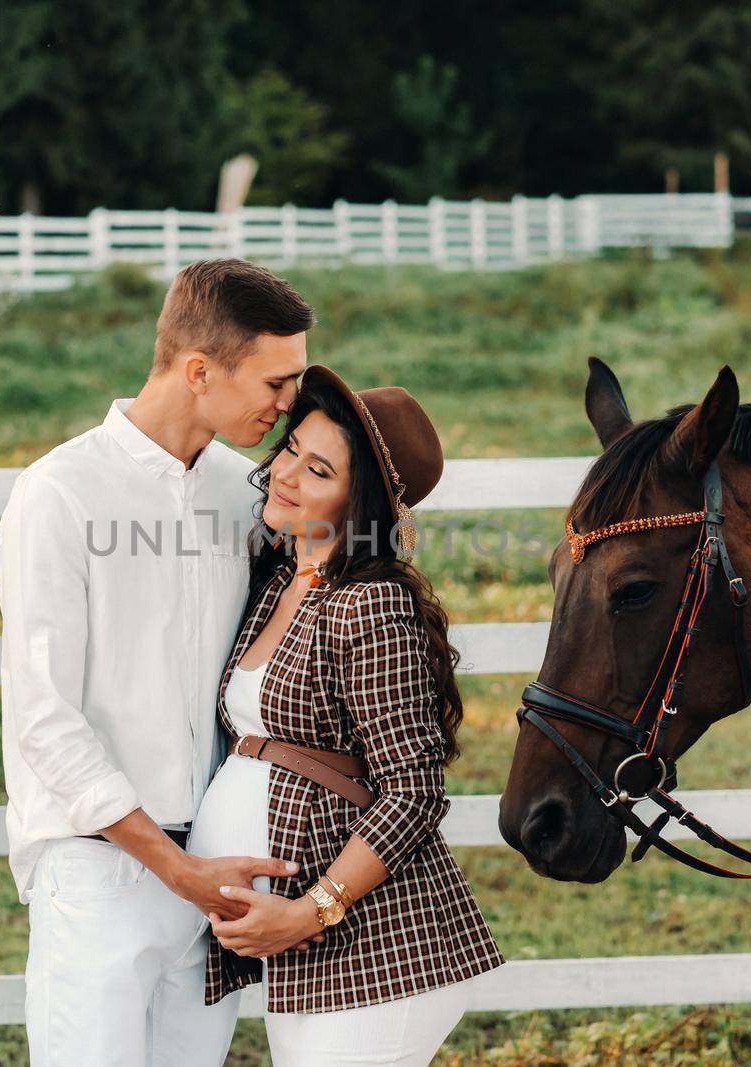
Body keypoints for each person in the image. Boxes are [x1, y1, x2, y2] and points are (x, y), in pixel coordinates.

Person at [0, 259, 318, 1066]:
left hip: (216, 875)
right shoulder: (59, 494)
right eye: (277, 383)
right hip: (99, 869)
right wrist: (173, 867)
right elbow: (44, 716)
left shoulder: (245, 493)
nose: (288, 406)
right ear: (199, 370)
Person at [186, 365, 505, 1066]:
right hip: (306, 959)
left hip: (375, 946)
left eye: (319, 469)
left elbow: (414, 789)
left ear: (357, 503)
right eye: (292, 447)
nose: (287, 473)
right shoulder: (279, 581)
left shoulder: (371, 602)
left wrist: (305, 911)